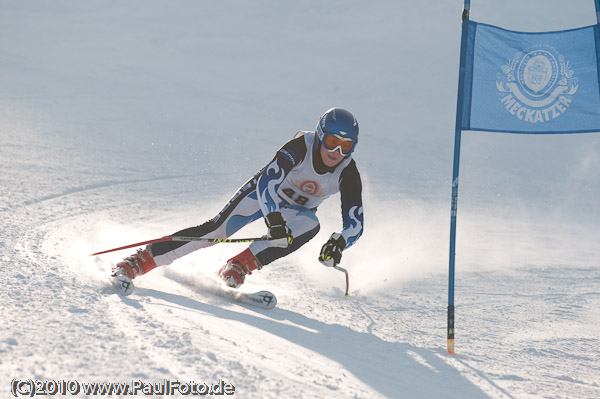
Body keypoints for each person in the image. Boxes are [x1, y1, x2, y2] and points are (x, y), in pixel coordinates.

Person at [112, 107, 364, 288]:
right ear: (320, 135)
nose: (336, 151)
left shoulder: (348, 173)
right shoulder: (300, 147)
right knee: (216, 232)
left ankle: (239, 265)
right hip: (263, 196)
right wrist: (274, 221)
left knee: (311, 224)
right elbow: (268, 183)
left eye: (346, 146)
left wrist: (340, 243)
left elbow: (355, 223)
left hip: (294, 212)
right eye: (332, 141)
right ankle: (141, 260)